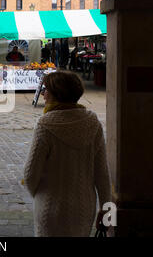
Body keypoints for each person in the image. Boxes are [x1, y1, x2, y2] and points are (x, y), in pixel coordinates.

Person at [23, 71, 111, 237]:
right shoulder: (93, 123)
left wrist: (40, 195)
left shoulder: (45, 124)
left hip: (50, 208)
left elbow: (30, 174)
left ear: (56, 94)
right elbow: (103, 174)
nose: (43, 94)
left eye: (46, 90)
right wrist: (109, 215)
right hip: (84, 208)